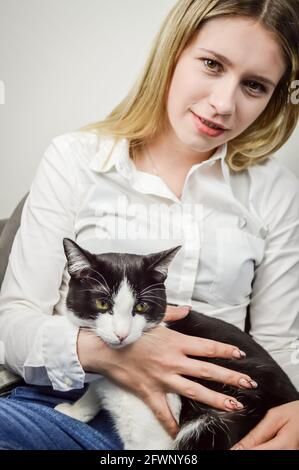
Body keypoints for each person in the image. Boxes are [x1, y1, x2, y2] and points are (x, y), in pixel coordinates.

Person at [0, 0, 298, 451]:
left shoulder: (275, 187)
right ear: (173, 52)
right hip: (70, 407)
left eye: (254, 86)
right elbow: (13, 323)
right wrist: (111, 353)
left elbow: (283, 346)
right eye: (212, 64)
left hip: (211, 421)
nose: (223, 104)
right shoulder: (76, 158)